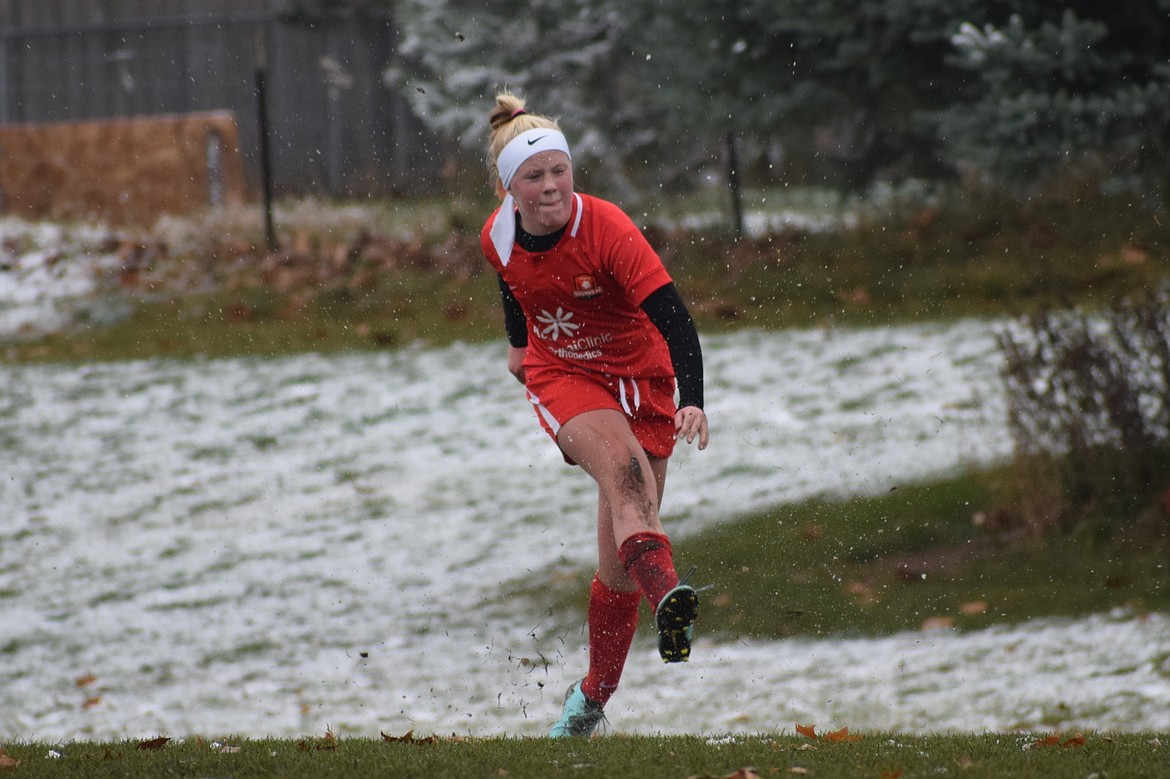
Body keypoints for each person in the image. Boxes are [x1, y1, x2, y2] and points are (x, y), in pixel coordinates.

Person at [479, 90, 710, 738]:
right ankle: (673, 600)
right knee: (624, 471)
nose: (551, 185)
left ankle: (589, 699)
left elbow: (675, 320)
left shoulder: (606, 227)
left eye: (560, 170)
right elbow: (510, 279)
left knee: (618, 569)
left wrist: (691, 397)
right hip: (566, 375)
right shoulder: (497, 234)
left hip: (643, 379)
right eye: (534, 175)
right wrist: (520, 345)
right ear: (510, 188)